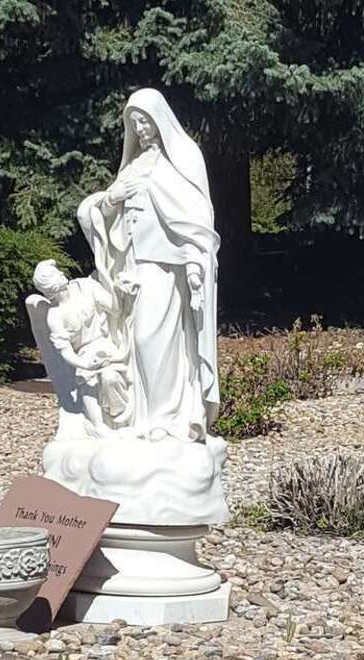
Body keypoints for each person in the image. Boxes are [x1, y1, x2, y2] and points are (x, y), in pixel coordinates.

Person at [77, 88, 221, 442]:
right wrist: (110, 199)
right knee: (137, 341)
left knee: (155, 338)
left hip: (166, 265)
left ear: (160, 119)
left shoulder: (182, 157)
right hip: (133, 267)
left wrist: (193, 265)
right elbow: (104, 210)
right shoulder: (136, 163)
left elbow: (196, 218)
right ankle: (144, 418)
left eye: (145, 121)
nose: (140, 130)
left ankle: (166, 418)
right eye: (134, 124)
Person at [32, 259, 130, 436]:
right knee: (84, 377)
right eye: (56, 273)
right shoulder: (54, 316)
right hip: (84, 354)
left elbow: (115, 310)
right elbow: (66, 351)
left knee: (110, 378)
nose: (62, 274)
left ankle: (119, 417)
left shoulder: (86, 287)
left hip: (105, 344)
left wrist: (117, 290)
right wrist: (85, 364)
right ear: (50, 286)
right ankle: (97, 425)